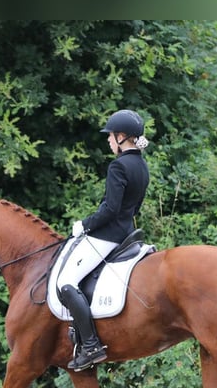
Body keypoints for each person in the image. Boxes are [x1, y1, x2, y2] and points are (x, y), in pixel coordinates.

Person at [56, 109, 150, 371]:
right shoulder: (141, 165)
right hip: (127, 234)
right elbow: (135, 207)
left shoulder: (118, 166)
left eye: (110, 136)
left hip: (107, 236)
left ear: (121, 137)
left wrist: (83, 225)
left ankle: (91, 345)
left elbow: (110, 209)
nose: (108, 141)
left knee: (65, 282)